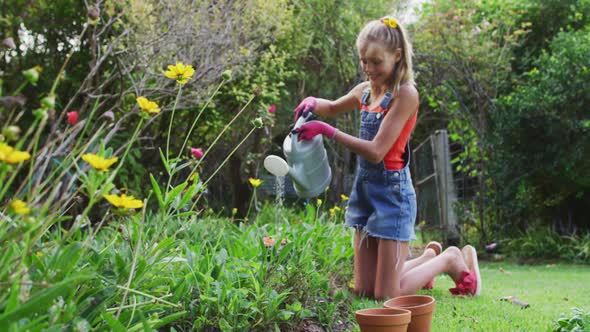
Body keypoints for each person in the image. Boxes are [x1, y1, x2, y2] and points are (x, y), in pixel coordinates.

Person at [292, 17, 481, 300]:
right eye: (363, 61)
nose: (369, 69)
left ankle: (449, 258)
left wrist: (326, 131)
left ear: (397, 56)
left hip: (393, 196)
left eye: (376, 62)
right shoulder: (365, 91)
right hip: (365, 192)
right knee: (365, 291)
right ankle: (428, 256)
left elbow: (377, 150)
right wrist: (312, 102)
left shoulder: (406, 95)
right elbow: (331, 107)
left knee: (386, 296)